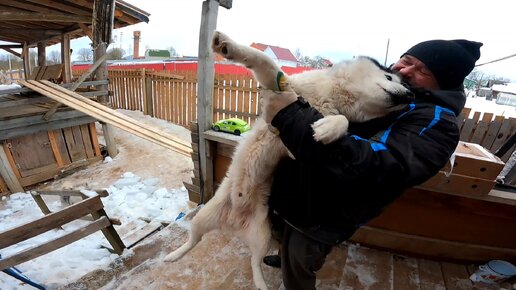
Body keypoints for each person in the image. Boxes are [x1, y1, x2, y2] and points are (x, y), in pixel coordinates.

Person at [260, 39, 483, 289]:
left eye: (423, 71)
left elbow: (380, 166)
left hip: (325, 211)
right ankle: (282, 255)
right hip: (295, 187)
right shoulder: (380, 82)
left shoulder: (435, 121)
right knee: (281, 229)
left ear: (442, 83)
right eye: (407, 61)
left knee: (301, 257)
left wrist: (291, 117)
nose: (405, 71)